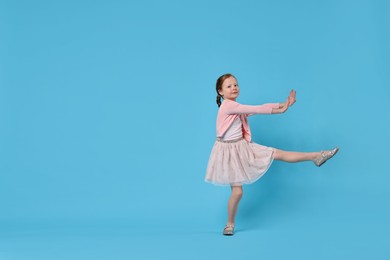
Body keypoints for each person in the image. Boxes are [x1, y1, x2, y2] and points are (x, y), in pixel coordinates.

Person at [205, 73, 339, 236]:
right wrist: (282, 108)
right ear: (220, 92)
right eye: (229, 86)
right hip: (229, 151)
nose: (234, 87)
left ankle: (316, 156)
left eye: (236, 85)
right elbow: (256, 108)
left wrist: (283, 105)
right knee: (238, 192)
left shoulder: (236, 106)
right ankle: (229, 224)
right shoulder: (228, 106)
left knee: (277, 153)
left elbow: (256, 109)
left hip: (241, 146)